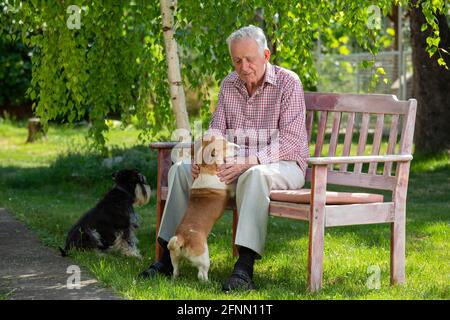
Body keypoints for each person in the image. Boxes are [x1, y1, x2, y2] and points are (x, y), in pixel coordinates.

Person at [140, 25, 309, 292]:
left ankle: (244, 268)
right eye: (237, 60)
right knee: (181, 170)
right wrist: (202, 156)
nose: (243, 67)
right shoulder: (229, 84)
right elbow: (216, 128)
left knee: (255, 174)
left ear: (265, 55)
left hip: (282, 165)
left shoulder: (289, 83)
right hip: (232, 167)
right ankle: (165, 256)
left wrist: (249, 161)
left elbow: (290, 141)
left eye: (250, 59)